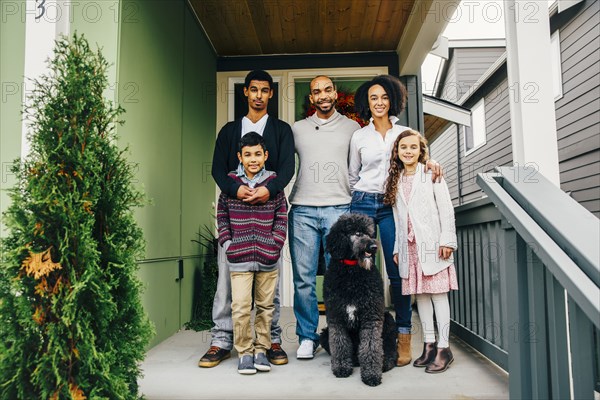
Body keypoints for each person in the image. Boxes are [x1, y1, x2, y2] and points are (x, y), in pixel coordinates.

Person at [199, 70, 295, 368]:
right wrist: (235, 189)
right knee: (227, 288)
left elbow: (288, 168)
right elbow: (217, 169)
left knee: (270, 291)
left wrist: (269, 190)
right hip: (236, 221)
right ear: (245, 93)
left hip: (267, 225)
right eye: (253, 90)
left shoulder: (281, 131)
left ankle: (272, 340)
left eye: (264, 90)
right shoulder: (229, 131)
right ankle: (222, 340)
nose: (258, 95)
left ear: (271, 94)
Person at [348, 75, 441, 367]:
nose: (378, 103)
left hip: (392, 206)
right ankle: (363, 335)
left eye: (384, 97)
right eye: (373, 98)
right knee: (361, 271)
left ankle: (404, 336)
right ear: (367, 102)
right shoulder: (359, 136)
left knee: (399, 269)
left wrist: (432, 163)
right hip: (363, 202)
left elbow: (418, 158)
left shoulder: (405, 132)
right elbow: (353, 174)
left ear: (393, 101)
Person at [289, 75, 361, 359]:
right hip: (303, 209)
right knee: (303, 278)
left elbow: (362, 166)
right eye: (316, 91)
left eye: (327, 89)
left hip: (339, 208)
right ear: (311, 99)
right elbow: (277, 161)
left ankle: (338, 335)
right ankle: (307, 336)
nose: (322, 95)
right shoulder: (296, 130)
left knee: (339, 278)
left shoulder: (353, 128)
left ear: (335, 93)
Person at [384, 129, 458, 374]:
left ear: (421, 151)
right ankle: (429, 345)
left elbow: (446, 209)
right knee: (422, 296)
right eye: (403, 147)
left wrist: (447, 240)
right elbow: (397, 218)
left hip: (432, 244)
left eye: (413, 147)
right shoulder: (395, 179)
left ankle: (444, 348)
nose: (408, 151)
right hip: (410, 247)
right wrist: (397, 248)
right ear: (397, 152)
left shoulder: (430, 174)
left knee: (438, 295)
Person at [217, 132, 288, 375]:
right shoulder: (230, 184)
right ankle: (245, 352)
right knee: (240, 306)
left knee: (266, 306)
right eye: (247, 155)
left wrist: (275, 244)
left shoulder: (273, 184)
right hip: (239, 258)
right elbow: (222, 217)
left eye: (258, 154)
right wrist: (228, 244)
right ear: (240, 157)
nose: (253, 159)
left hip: (268, 257)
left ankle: (261, 349)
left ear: (265, 155)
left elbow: (281, 217)